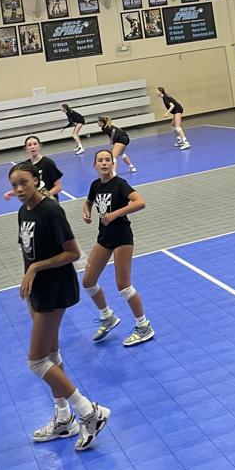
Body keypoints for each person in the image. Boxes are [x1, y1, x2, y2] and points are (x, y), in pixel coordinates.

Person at [10, 161, 109, 451]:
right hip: (38, 289)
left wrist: (35, 268)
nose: (19, 189)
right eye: (14, 185)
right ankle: (64, 419)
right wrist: (29, 276)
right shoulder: (23, 211)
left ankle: (89, 411)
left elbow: (73, 253)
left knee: (36, 361)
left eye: (24, 182)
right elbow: (30, 253)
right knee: (52, 354)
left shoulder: (51, 211)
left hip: (55, 288)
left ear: (36, 180)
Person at [81, 148, 154, 347]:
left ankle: (144, 326)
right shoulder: (95, 185)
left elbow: (140, 202)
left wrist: (114, 214)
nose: (104, 163)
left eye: (108, 160)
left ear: (113, 164)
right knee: (88, 281)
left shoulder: (120, 184)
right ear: (94, 165)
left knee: (123, 285)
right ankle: (107, 317)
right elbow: (88, 203)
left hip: (122, 237)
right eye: (100, 160)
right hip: (104, 238)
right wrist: (86, 212)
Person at [4, 136, 64, 202]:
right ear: (26, 149)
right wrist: (11, 193)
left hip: (48, 202)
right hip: (34, 202)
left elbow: (58, 187)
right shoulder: (26, 166)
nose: (32, 147)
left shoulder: (48, 163)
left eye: (35, 144)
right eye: (29, 145)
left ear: (39, 146)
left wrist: (44, 197)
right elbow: (24, 187)